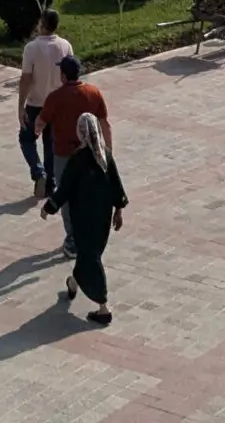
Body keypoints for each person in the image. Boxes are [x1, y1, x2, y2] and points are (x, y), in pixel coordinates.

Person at [42, 111, 127, 326]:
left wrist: (48, 207)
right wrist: (118, 211)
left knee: (91, 258)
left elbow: (65, 189)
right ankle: (73, 283)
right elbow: (117, 186)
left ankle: (103, 307)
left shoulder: (78, 160)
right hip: (102, 220)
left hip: (82, 220)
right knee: (90, 255)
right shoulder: (105, 156)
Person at [38, 53, 110, 258]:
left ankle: (72, 240)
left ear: (63, 75)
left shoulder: (55, 97)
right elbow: (105, 123)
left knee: (67, 197)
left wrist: (36, 129)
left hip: (63, 154)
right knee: (86, 195)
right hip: (90, 154)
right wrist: (108, 151)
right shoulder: (93, 93)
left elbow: (40, 123)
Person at [16, 10, 73, 199]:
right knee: (51, 143)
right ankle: (50, 184)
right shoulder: (65, 46)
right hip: (57, 103)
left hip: (35, 103)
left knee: (26, 138)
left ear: (41, 24)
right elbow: (70, 75)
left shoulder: (31, 48)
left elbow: (26, 78)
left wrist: (20, 106)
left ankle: (38, 172)